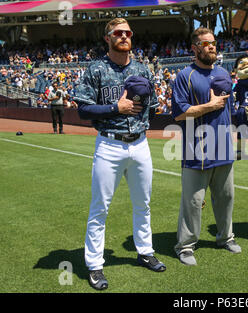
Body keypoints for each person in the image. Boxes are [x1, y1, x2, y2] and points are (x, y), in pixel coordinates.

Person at [74, 18, 166, 291]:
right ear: (108, 38)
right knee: (99, 208)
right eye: (118, 33)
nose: (124, 36)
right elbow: (83, 109)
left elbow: (154, 107)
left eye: (127, 32)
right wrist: (116, 108)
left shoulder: (142, 68)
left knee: (143, 203)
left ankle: (145, 251)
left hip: (140, 144)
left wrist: (144, 105)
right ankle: (94, 265)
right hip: (109, 144)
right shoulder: (96, 69)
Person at [171, 27, 241, 266]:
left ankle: (225, 237)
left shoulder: (223, 72)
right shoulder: (185, 76)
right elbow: (179, 114)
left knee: (226, 197)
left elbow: (229, 110)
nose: (211, 46)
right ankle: (186, 246)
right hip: (196, 149)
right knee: (193, 201)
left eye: (213, 42)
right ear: (195, 48)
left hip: (223, 146)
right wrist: (210, 106)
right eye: (206, 43)